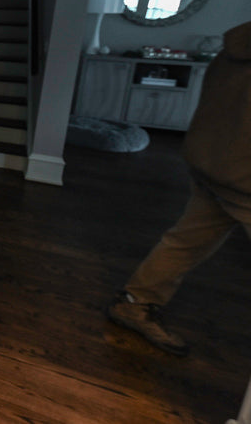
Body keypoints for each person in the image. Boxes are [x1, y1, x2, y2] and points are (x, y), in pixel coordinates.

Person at [106, 20, 251, 356]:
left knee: (185, 241)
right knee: (185, 241)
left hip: (212, 163)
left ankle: (135, 301)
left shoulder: (233, 49)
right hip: (243, 178)